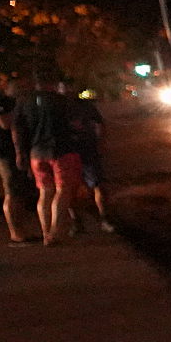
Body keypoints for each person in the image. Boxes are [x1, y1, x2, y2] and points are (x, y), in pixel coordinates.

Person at [16, 75, 84, 245]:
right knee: (62, 191)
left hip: (36, 153)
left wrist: (20, 152)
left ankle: (46, 233)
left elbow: (17, 128)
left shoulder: (24, 102)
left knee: (45, 193)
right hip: (62, 151)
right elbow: (76, 125)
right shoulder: (62, 101)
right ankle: (55, 232)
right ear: (52, 83)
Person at [57, 79, 106, 231]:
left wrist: (100, 142)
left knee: (97, 186)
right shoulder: (57, 106)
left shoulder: (85, 105)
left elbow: (99, 123)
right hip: (68, 152)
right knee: (70, 189)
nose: (67, 90)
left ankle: (104, 219)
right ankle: (77, 222)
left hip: (87, 150)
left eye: (69, 86)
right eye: (63, 87)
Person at [0, 79, 32, 243]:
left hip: (11, 153)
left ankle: (20, 231)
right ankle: (16, 233)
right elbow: (5, 124)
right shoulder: (4, 102)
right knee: (11, 193)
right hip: (5, 153)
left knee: (17, 193)